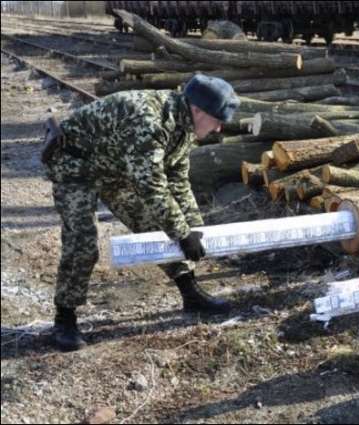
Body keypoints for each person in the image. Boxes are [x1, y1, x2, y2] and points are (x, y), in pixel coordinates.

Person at [42, 75, 241, 352]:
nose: (219, 128)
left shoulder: (184, 125)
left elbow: (177, 179)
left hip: (116, 166)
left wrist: (194, 226)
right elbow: (152, 187)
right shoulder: (149, 121)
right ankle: (65, 318)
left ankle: (190, 292)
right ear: (197, 110)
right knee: (83, 241)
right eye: (217, 120)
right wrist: (182, 233)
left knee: (154, 225)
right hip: (76, 164)